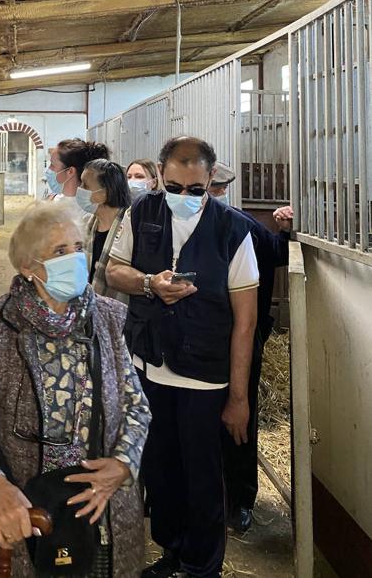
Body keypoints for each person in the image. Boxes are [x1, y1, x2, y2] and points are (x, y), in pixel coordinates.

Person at [0, 202, 151, 577]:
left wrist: (124, 463)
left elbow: (138, 406)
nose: (75, 260)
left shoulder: (103, 317)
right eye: (59, 251)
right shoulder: (2, 325)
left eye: (77, 248)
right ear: (28, 267)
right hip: (29, 509)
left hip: (100, 510)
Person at [106, 137, 259, 578]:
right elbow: (114, 269)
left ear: (211, 179)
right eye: (175, 186)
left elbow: (245, 322)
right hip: (149, 367)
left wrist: (238, 397)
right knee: (160, 469)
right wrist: (150, 282)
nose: (185, 197)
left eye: (196, 189)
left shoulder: (233, 230)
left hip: (204, 378)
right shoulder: (142, 212)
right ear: (160, 174)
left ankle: (201, 565)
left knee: (203, 478)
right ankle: (171, 550)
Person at [207, 164, 292, 533]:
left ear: (219, 189)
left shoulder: (241, 224)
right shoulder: (174, 227)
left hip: (241, 335)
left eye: (202, 189)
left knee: (239, 417)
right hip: (200, 340)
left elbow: (277, 252)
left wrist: (287, 228)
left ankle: (240, 500)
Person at [76, 158, 131, 302]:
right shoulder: (86, 224)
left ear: (105, 193)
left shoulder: (130, 228)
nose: (79, 189)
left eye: (85, 185)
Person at [45, 138, 109, 200]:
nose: (49, 169)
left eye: (52, 165)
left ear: (70, 171)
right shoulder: (54, 200)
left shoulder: (89, 208)